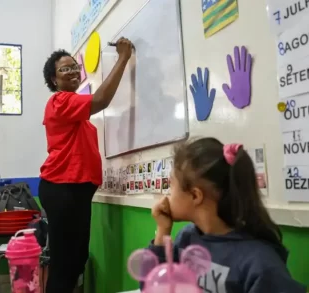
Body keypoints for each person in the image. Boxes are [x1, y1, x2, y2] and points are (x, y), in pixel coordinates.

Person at [146, 138, 305, 293]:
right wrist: (162, 230)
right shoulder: (187, 238)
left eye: (171, 187)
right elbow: (153, 286)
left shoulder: (260, 264)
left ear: (195, 196)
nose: (166, 195)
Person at [40, 37, 134, 292]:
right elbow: (102, 100)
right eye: (64, 69)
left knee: (76, 260)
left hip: (76, 191)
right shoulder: (60, 101)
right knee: (64, 264)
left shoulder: (76, 113)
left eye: (74, 66)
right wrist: (123, 58)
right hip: (62, 188)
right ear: (54, 80)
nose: (72, 71)